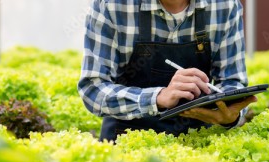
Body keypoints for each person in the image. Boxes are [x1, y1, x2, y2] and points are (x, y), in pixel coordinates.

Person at [78, 0, 257, 142]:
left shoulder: (224, 5)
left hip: (197, 148)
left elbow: (233, 81)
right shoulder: (111, 5)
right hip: (125, 142)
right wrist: (157, 98)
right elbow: (93, 89)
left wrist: (229, 116)